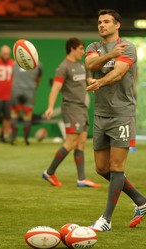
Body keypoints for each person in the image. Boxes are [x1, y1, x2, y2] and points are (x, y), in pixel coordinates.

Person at [85, 9, 146, 232]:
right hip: (100, 114)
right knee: (101, 168)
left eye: (106, 22)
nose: (102, 25)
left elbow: (119, 74)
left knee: (116, 167)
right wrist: (111, 56)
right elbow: (92, 65)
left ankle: (106, 219)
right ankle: (142, 201)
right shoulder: (93, 47)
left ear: (117, 25)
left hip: (122, 113)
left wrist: (100, 83)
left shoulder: (128, 47)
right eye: (99, 22)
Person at [42, 37, 101, 189]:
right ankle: (49, 172)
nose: (83, 51)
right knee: (71, 143)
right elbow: (55, 88)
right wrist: (50, 107)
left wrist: (94, 82)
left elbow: (88, 80)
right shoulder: (63, 67)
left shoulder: (82, 65)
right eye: (81, 49)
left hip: (82, 108)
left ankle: (81, 179)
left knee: (81, 143)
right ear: (72, 49)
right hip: (71, 108)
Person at [10, 61, 43, 145]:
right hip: (29, 91)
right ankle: (26, 140)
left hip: (16, 90)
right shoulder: (38, 64)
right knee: (28, 115)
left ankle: (13, 139)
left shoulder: (15, 63)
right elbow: (39, 78)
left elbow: (12, 76)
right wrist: (33, 87)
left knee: (14, 113)